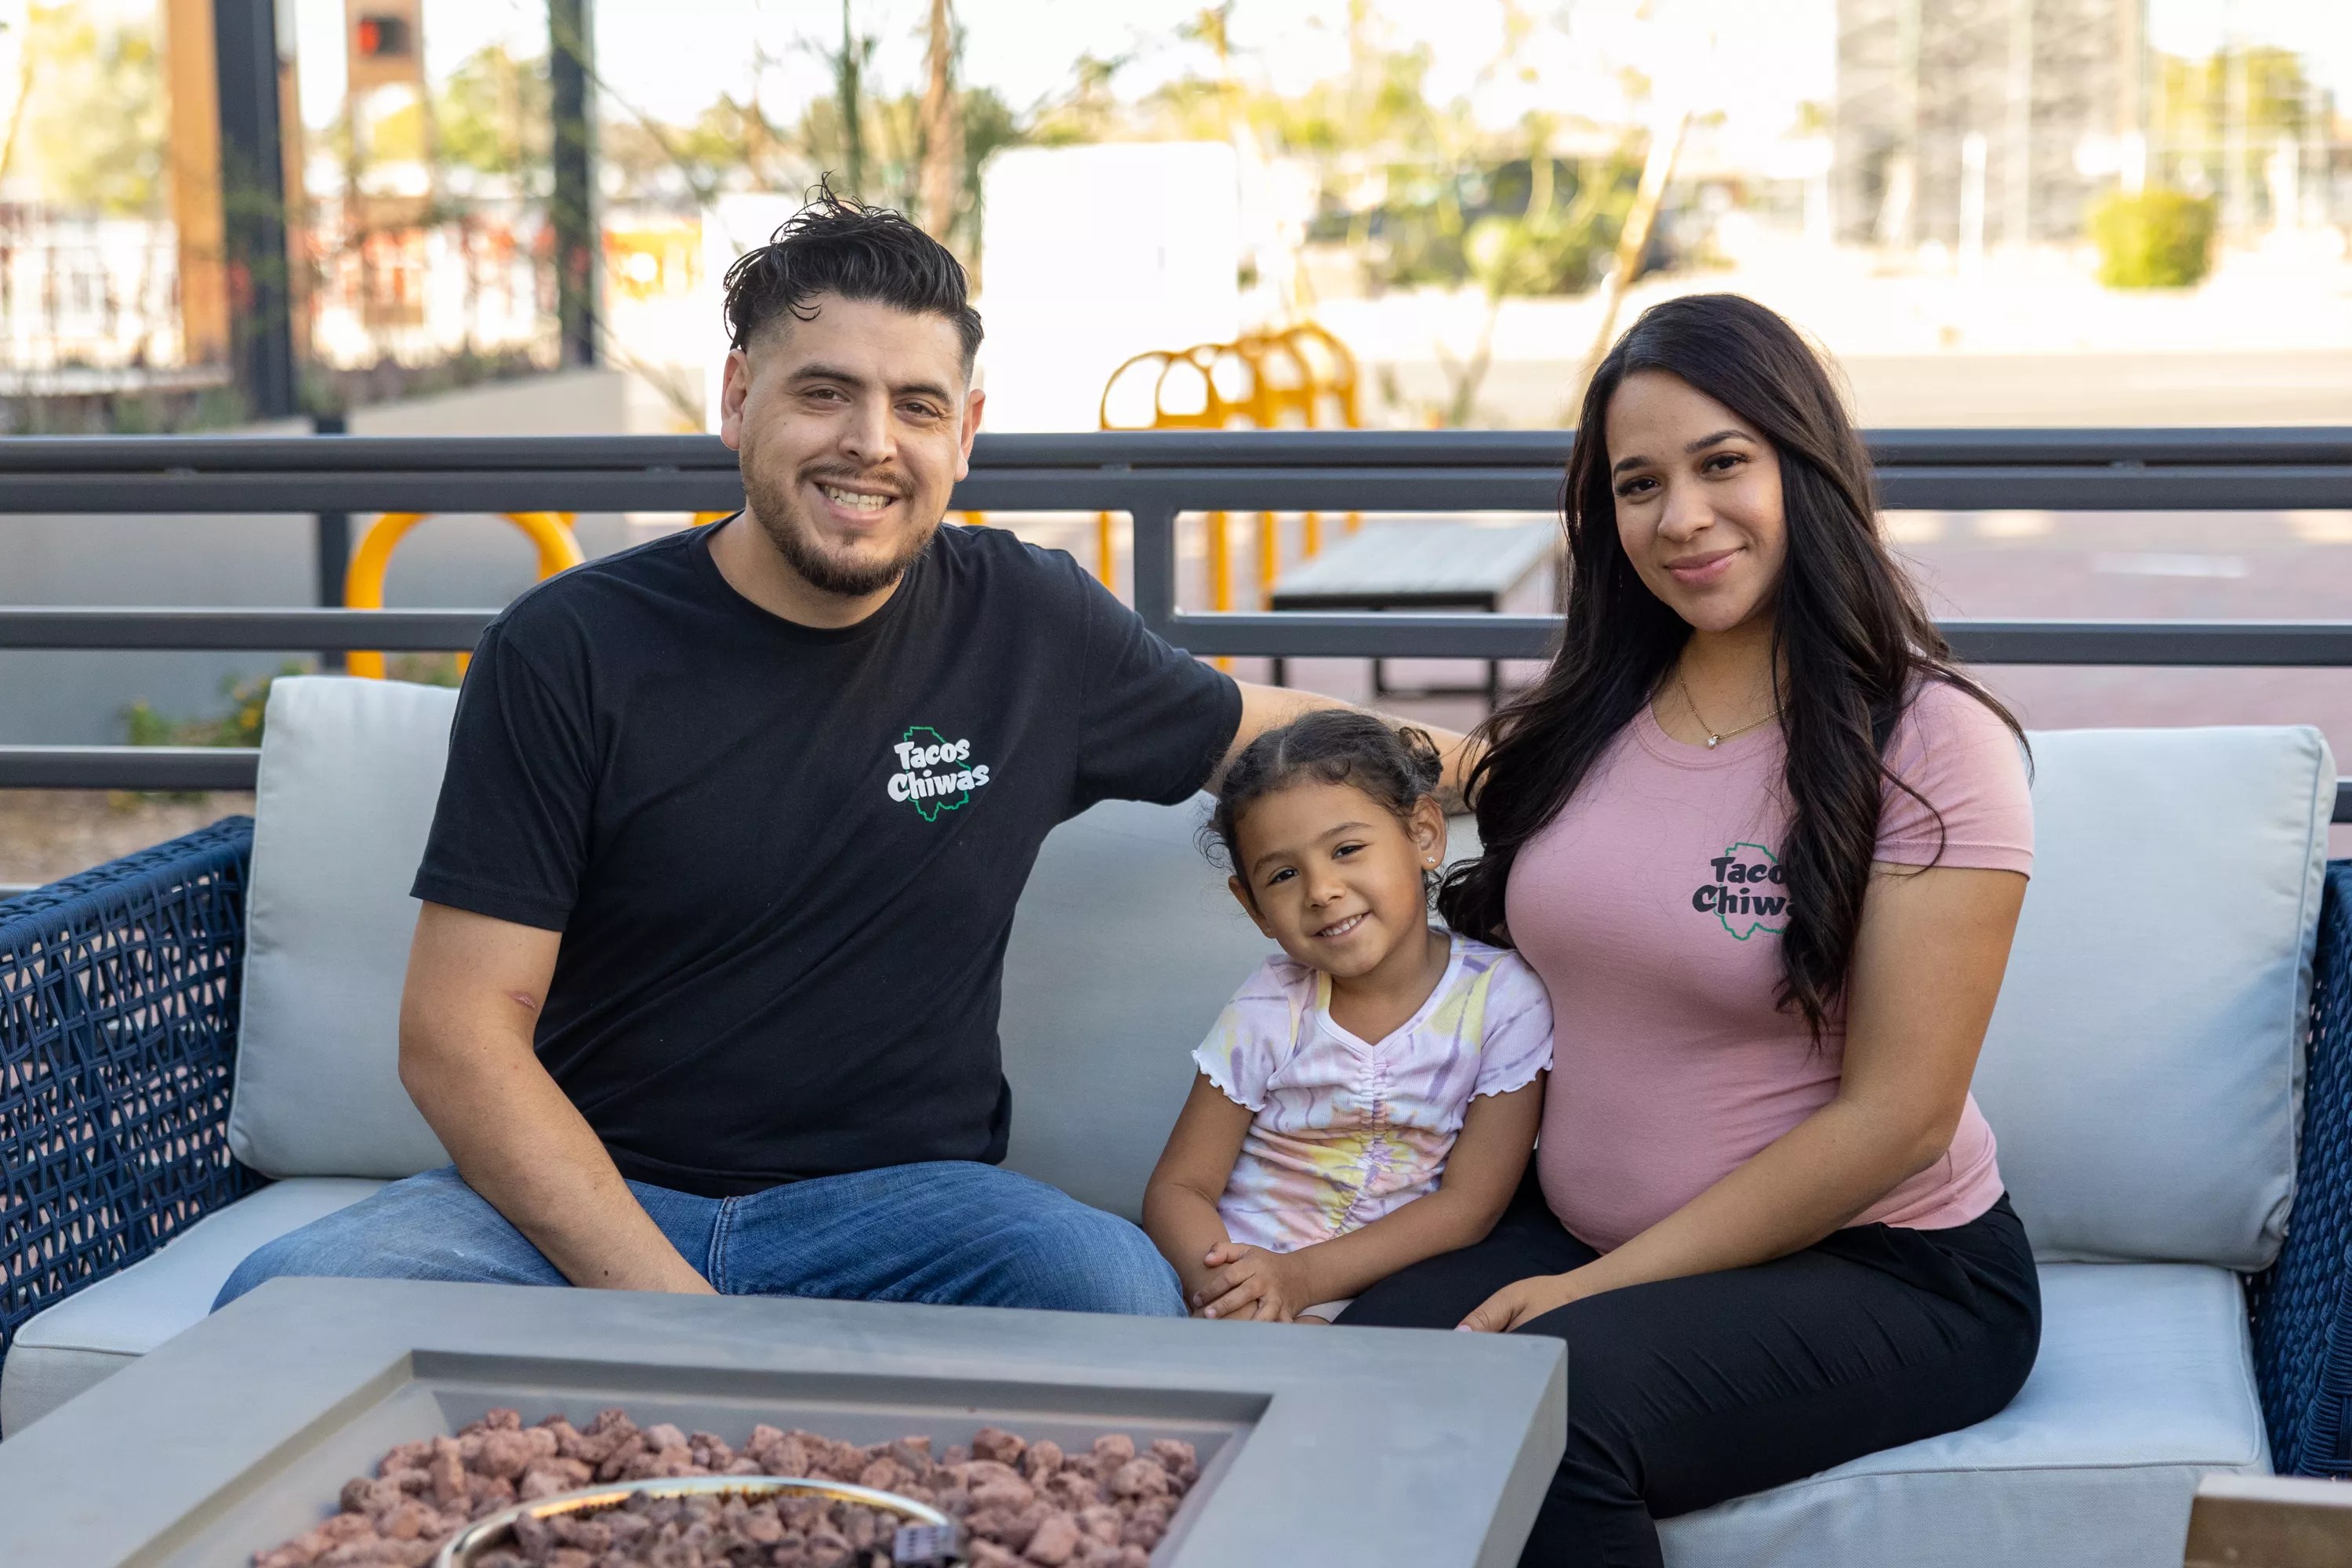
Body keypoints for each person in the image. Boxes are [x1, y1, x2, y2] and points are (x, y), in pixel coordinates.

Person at [215, 184, 1467, 1318]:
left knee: (1111, 1294)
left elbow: (1295, 743)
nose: (871, 441)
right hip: (594, 1198)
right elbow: (458, 1033)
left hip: (908, 1215)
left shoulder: (1029, 624)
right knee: (285, 1304)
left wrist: (1545, 768)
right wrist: (672, 1318)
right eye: (824, 392)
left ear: (965, 434)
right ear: (736, 399)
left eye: (916, 406)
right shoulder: (568, 647)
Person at [1338, 293, 2041, 1567]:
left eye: (1723, 463)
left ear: (1804, 465)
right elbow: (1364, 759)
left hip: (1888, 1267)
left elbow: (1901, 1121)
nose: (1682, 517)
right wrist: (1136, 697)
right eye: (1639, 484)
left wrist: (1592, 1292)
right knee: (1361, 1373)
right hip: (1590, 1237)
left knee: (1547, 1417)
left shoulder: (1932, 741)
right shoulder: (1596, 714)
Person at [1142, 711, 1551, 1325]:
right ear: (1254, 908)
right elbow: (1180, 1188)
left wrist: (1302, 1282)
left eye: (1347, 850)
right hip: (1236, 1277)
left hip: (1389, 1289)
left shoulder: (1504, 999)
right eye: (1283, 875)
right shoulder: (1272, 1006)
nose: (1321, 890)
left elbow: (1470, 1206)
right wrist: (1231, 1295)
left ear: (1424, 835)